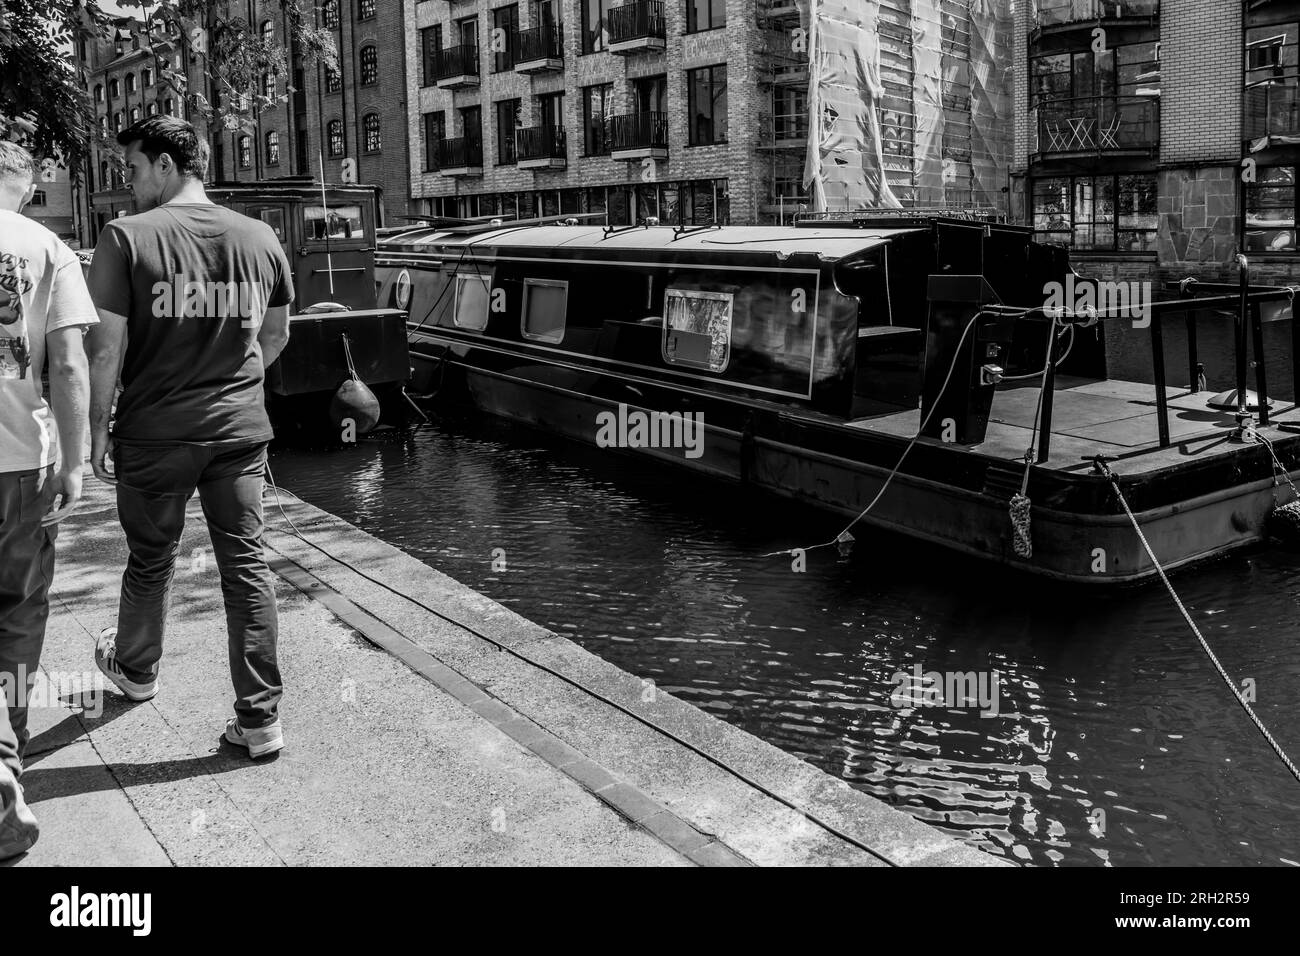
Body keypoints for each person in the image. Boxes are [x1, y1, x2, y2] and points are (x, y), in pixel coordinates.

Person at [85, 117, 292, 759]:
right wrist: (230, 384)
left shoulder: (124, 238)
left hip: (155, 435)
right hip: (238, 435)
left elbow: (105, 349)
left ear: (169, 165)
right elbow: (278, 334)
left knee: (151, 558)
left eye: (136, 169)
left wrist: (97, 430)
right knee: (247, 566)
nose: (128, 183)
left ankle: (137, 673)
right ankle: (260, 721)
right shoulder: (260, 237)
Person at [0, 141, 96, 860]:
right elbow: (67, 361)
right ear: (29, 187)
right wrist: (77, 457)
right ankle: (6, 757)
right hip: (19, 464)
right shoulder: (45, 247)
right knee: (16, 609)